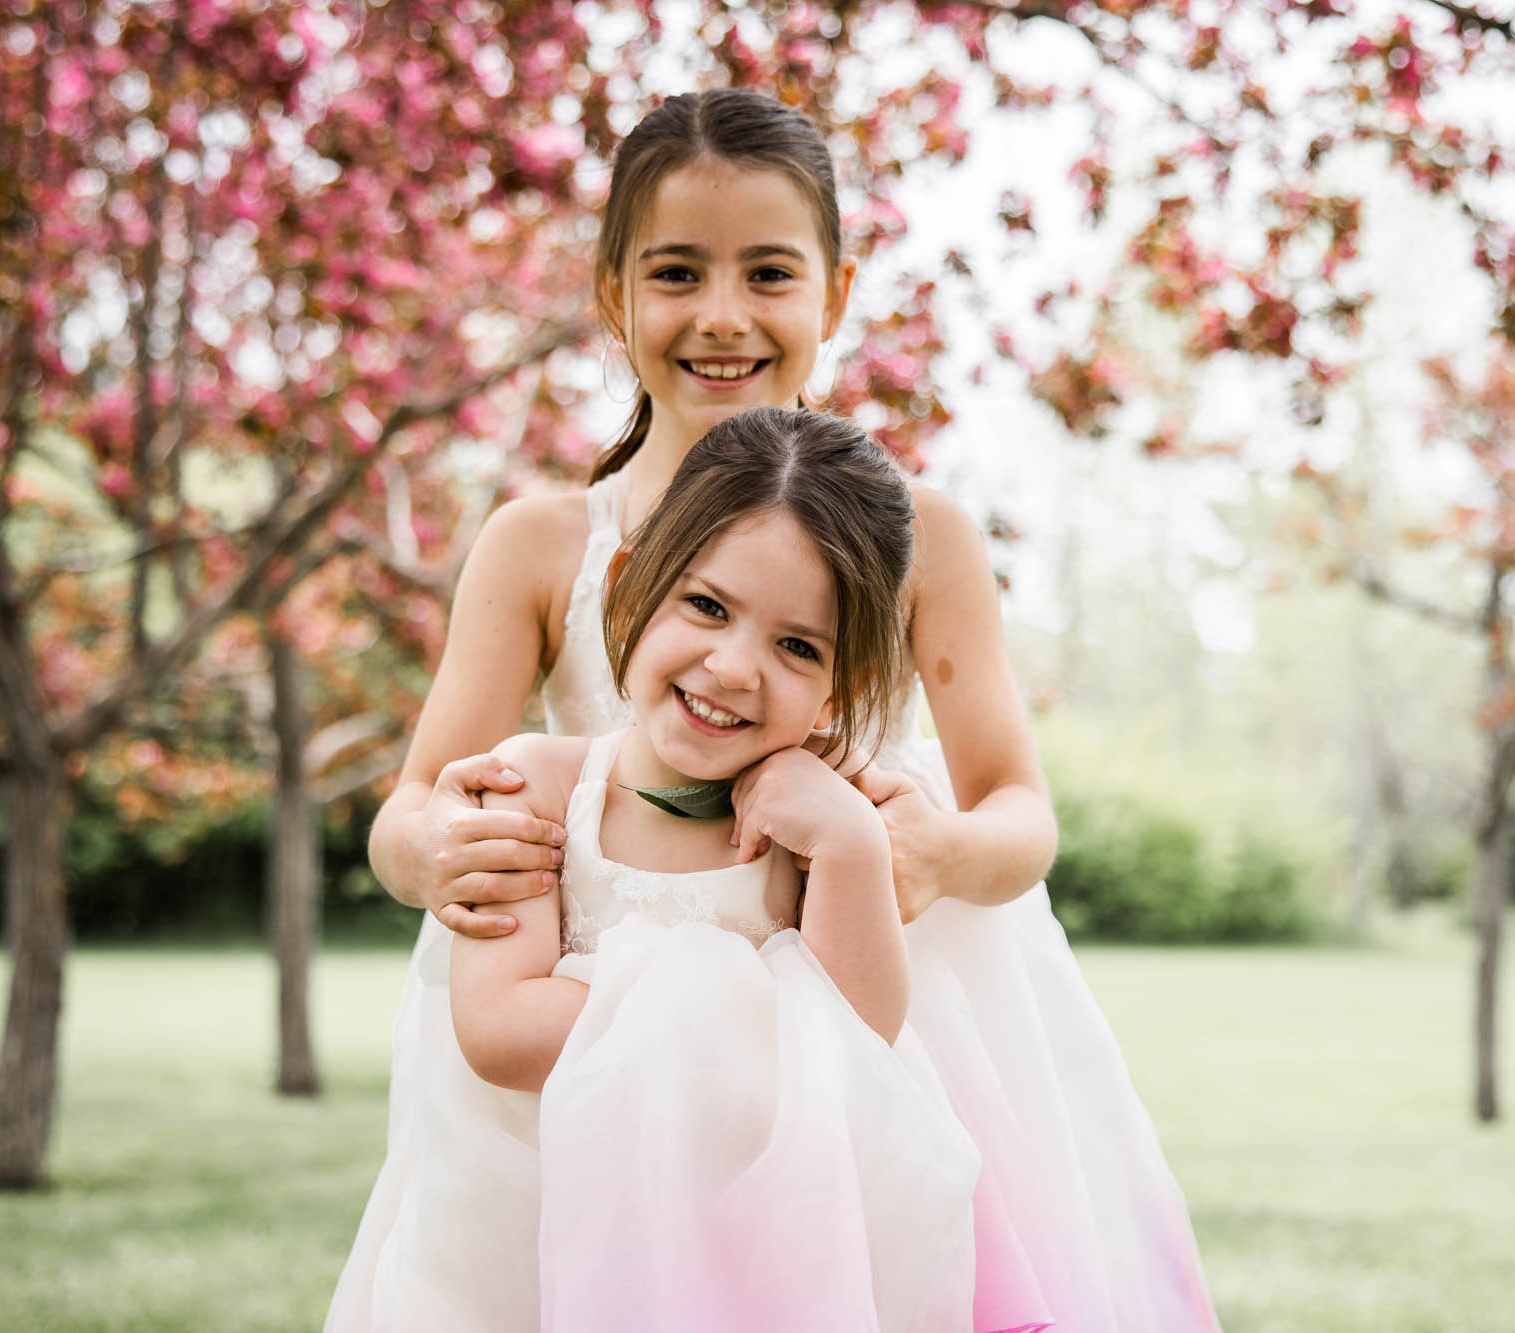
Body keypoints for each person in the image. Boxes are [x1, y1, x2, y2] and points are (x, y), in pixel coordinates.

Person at [333, 88, 1219, 1332]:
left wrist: (938, 846)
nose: (721, 316)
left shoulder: (926, 542)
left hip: (868, 1017)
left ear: (833, 296)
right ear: (612, 296)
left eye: (767, 273)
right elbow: (414, 801)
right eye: (676, 273)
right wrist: (426, 847)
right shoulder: (541, 545)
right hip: (580, 1032)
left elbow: (1021, 811)